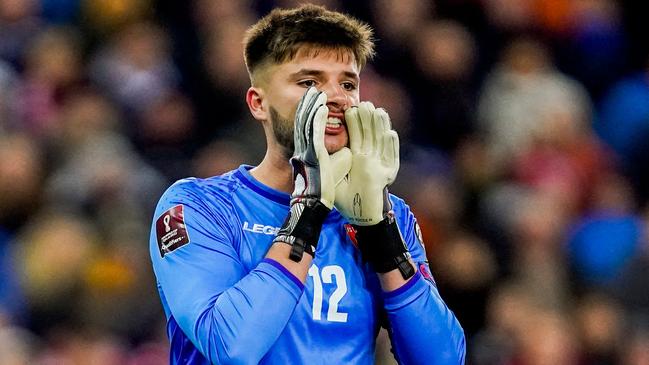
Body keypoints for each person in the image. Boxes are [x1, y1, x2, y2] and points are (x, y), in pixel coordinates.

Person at [149, 4, 465, 364]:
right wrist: (308, 210)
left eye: (348, 83)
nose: (336, 97)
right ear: (258, 104)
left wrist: (380, 235)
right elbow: (231, 348)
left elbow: (442, 358)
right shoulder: (197, 206)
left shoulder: (387, 215)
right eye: (309, 82)